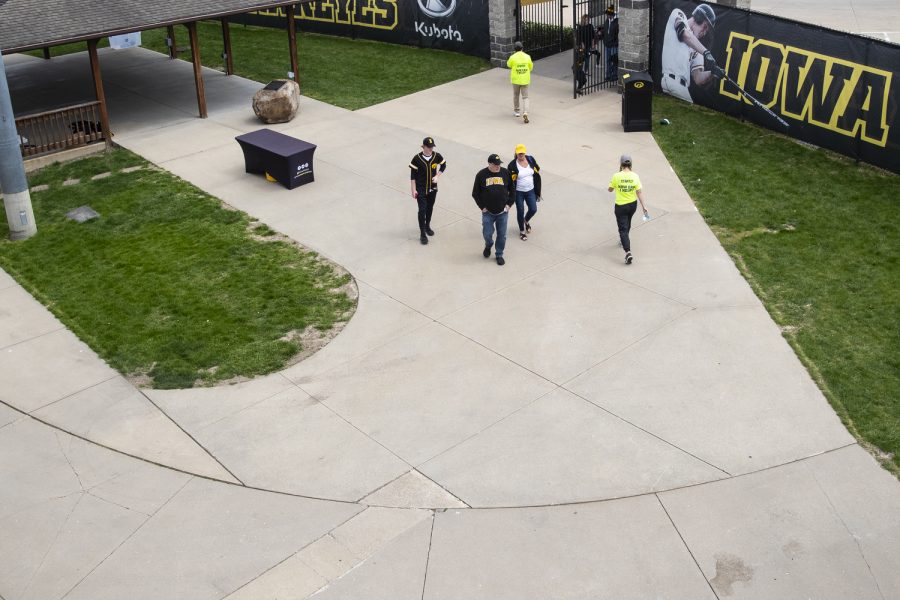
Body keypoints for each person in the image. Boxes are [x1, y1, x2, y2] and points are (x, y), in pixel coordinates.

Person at [660, 3, 725, 103]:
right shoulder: (679, 14)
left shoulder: (697, 48)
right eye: (705, 26)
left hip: (683, 86)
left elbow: (698, 78)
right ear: (698, 17)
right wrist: (706, 52)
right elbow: (684, 34)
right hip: (671, 80)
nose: (705, 32)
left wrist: (713, 73)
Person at [472, 154, 514, 265]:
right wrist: (482, 207)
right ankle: (488, 245)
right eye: (495, 164)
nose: (498, 166)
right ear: (489, 164)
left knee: (502, 235)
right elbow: (475, 193)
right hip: (488, 213)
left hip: (502, 212)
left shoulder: (505, 173)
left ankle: (499, 254)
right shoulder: (481, 175)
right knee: (487, 233)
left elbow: (513, 190)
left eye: (499, 164)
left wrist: (509, 204)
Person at [607, 154, 648, 265]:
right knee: (628, 223)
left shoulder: (616, 176)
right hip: (632, 205)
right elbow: (639, 192)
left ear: (621, 164)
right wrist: (644, 206)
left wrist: (613, 185)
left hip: (621, 206)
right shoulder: (635, 176)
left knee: (623, 229)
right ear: (631, 164)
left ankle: (628, 252)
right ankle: (624, 240)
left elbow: (610, 189)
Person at [409, 136, 447, 245]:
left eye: (432, 147)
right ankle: (422, 233)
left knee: (430, 208)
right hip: (421, 189)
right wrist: (413, 189)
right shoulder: (416, 159)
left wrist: (438, 176)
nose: (431, 149)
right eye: (429, 147)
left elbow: (444, 165)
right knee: (422, 210)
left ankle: (427, 226)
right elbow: (412, 176)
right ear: (423, 147)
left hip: (433, 188)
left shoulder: (436, 156)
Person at [507, 144, 542, 241]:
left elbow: (537, 170)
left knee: (533, 209)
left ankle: (525, 221)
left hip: (530, 190)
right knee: (520, 211)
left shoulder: (530, 159)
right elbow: (509, 181)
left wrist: (537, 189)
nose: (521, 155)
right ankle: (522, 232)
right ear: (516, 153)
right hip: (519, 192)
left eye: (522, 153)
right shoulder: (512, 165)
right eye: (519, 153)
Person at [507, 41, 533, 124]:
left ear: (515, 49)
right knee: (525, 97)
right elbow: (531, 67)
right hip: (525, 79)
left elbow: (509, 65)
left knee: (516, 95)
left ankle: (517, 111)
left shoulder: (512, 57)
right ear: (522, 48)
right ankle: (525, 112)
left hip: (516, 80)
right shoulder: (527, 56)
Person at [597, 4, 619, 82]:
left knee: (614, 61)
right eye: (607, 14)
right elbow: (606, 31)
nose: (607, 16)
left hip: (614, 45)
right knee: (607, 61)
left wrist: (615, 43)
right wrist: (601, 33)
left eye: (608, 14)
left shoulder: (617, 22)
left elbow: (618, 34)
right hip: (607, 44)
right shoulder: (607, 21)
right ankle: (608, 75)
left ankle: (614, 75)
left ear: (612, 14)